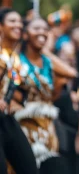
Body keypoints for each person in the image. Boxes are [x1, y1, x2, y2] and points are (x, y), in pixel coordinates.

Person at [16, 17, 77, 173]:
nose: (42, 32)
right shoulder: (17, 59)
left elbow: (71, 73)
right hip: (23, 125)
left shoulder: (48, 62)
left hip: (47, 127)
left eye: (45, 29)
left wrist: (43, 49)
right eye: (36, 29)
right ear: (24, 34)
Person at [0, 9, 38, 174]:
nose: (18, 25)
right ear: (1, 27)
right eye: (12, 21)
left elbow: (15, 85)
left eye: (20, 22)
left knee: (29, 166)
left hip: (6, 118)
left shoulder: (15, 57)